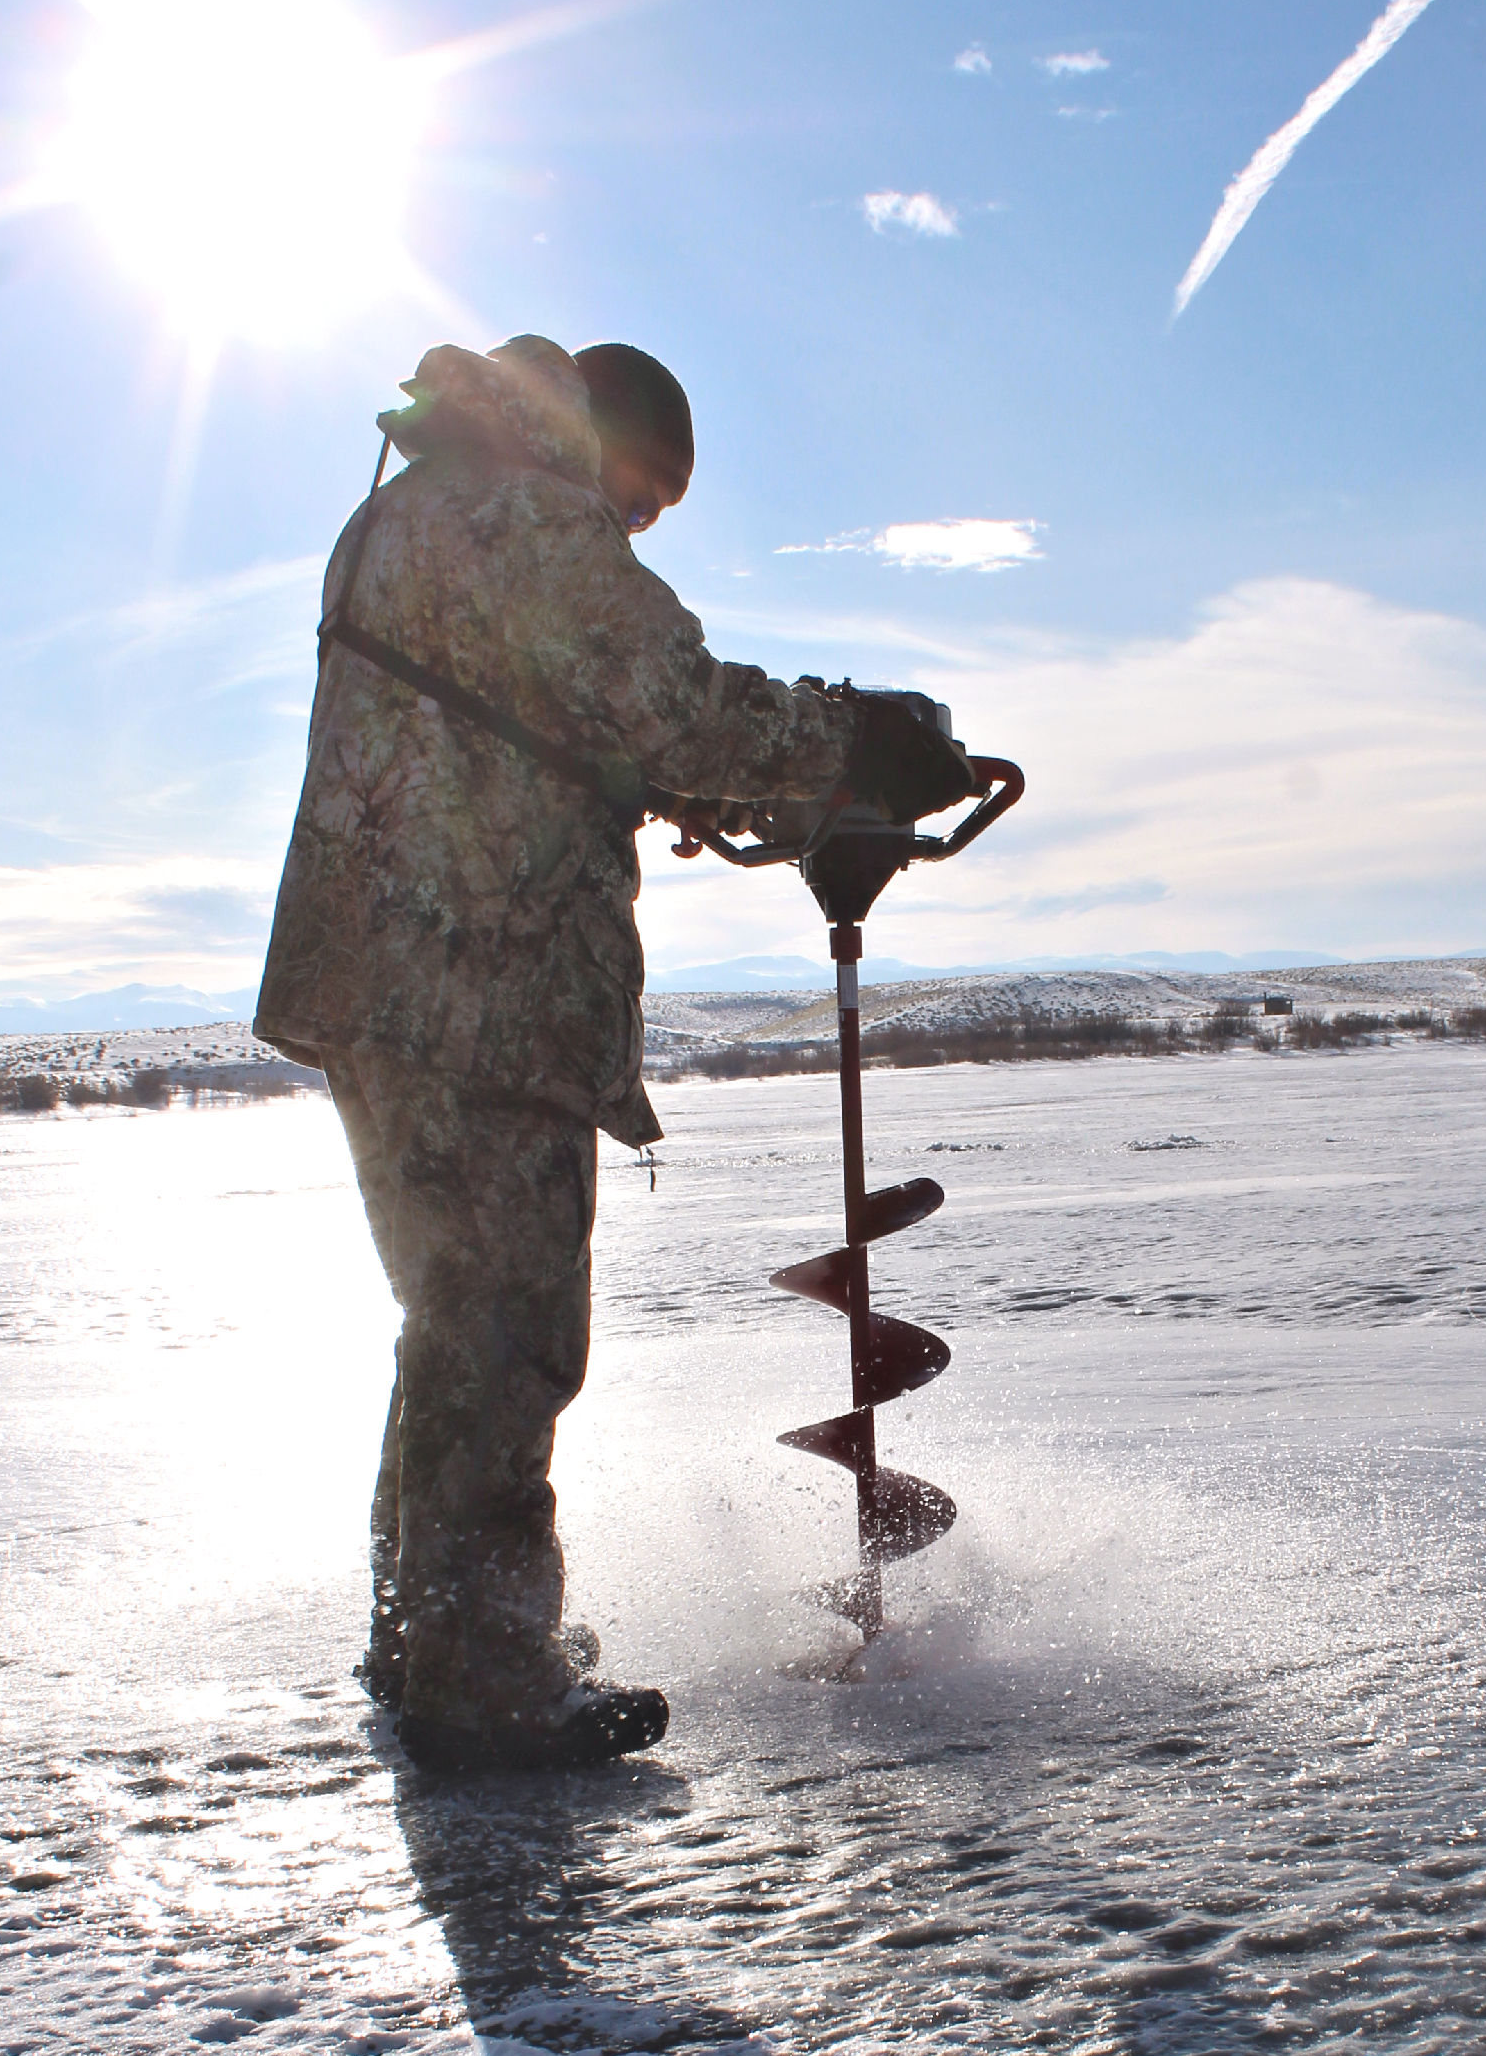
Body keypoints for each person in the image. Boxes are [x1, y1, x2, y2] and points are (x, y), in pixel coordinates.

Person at [254, 334, 971, 1771]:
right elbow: (677, 703)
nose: (636, 528)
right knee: (507, 1333)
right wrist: (860, 742)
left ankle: (435, 1639)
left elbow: (526, 726)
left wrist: (654, 785)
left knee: (451, 1325)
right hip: (480, 985)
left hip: (380, 981)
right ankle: (483, 1684)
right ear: (598, 432)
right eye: (645, 497)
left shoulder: (414, 506)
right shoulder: (527, 510)